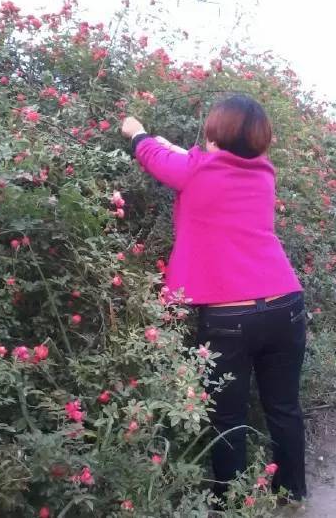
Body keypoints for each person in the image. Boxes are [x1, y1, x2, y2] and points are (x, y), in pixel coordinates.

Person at [121, 94, 307, 507]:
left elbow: (154, 157)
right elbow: (190, 161)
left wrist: (136, 133)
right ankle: (292, 495)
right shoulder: (264, 173)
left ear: (213, 133)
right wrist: (175, 146)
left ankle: (230, 505)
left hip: (230, 317)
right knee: (284, 408)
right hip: (286, 307)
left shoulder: (196, 170)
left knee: (228, 417)